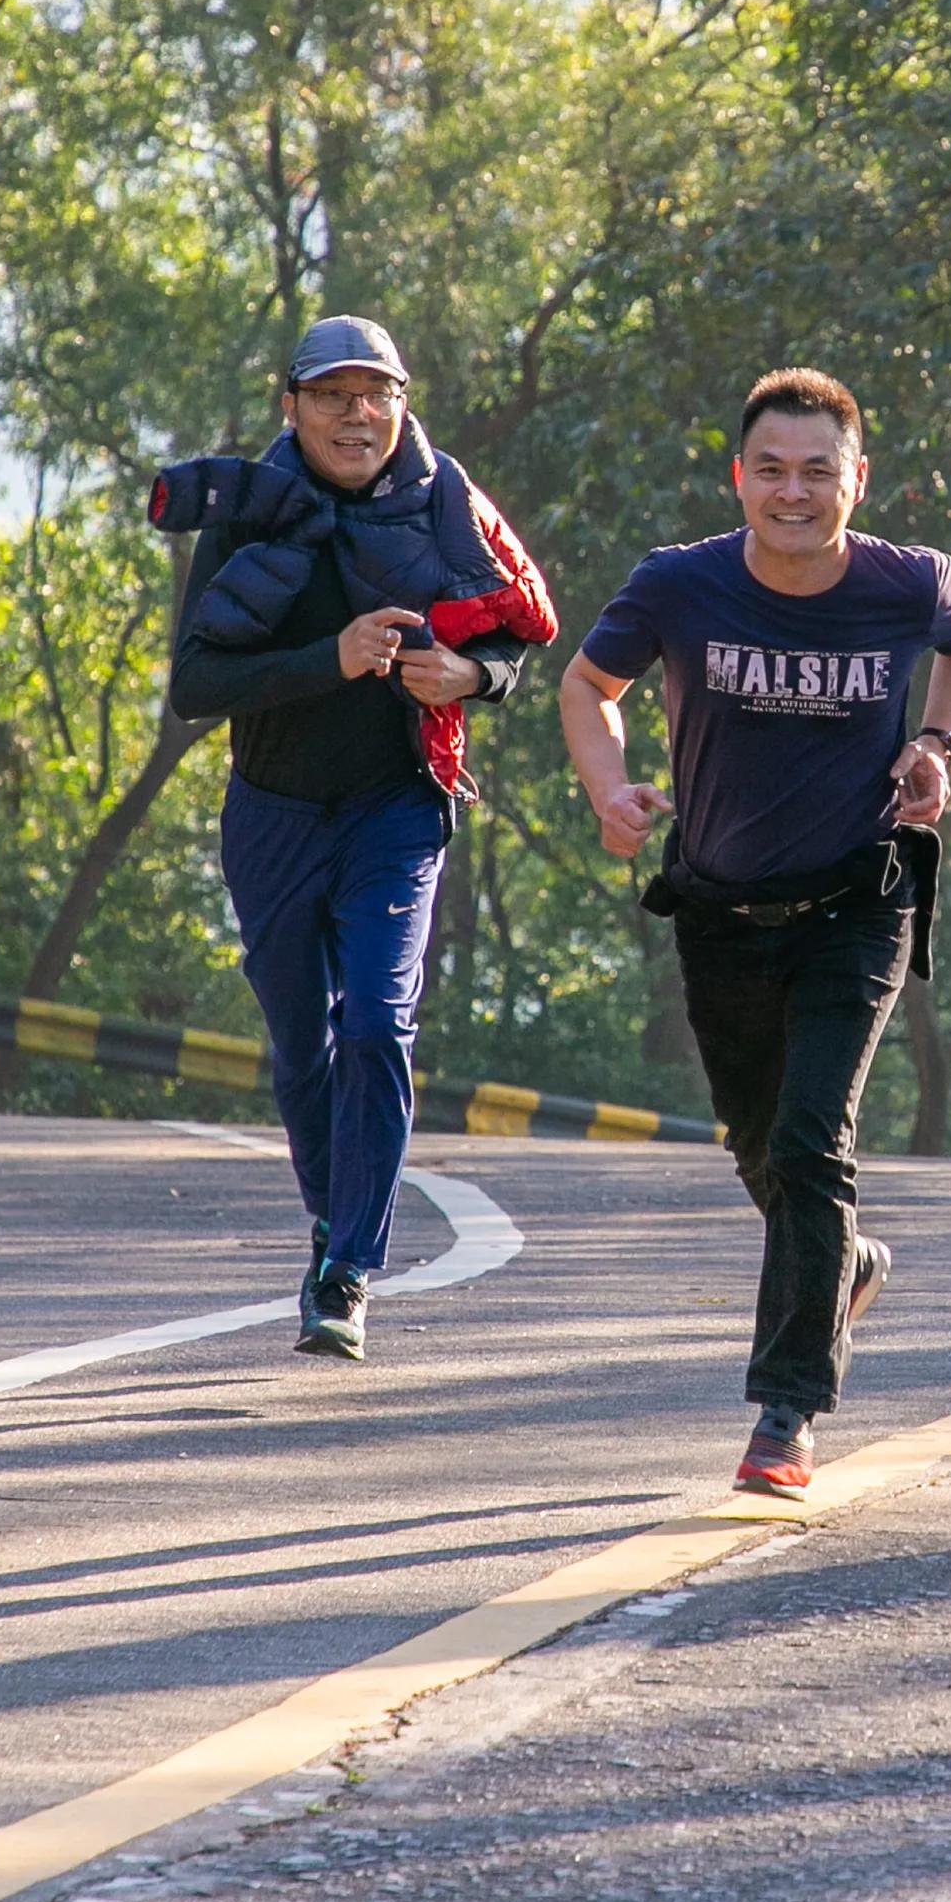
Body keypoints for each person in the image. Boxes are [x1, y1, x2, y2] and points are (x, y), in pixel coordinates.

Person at [561, 368, 951, 1498]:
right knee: (761, 1149)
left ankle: (787, 1411)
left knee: (814, 1141)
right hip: (718, 913)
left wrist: (938, 745)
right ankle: (842, 1264)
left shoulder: (910, 586)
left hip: (858, 904)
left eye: (819, 470)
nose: (794, 491)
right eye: (772, 469)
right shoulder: (681, 585)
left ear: (858, 480)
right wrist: (610, 790)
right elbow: (587, 683)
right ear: (740, 479)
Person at [155, 315, 558, 1361]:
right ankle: (335, 1216)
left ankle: (347, 1272)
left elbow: (516, 635)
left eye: (376, 393)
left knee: (377, 1025)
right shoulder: (247, 514)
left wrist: (471, 677)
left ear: (403, 404)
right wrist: (327, 660)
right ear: (290, 407)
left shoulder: (445, 501)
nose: (358, 414)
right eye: (332, 394)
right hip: (274, 810)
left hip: (399, 805)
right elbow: (195, 688)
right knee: (304, 1048)